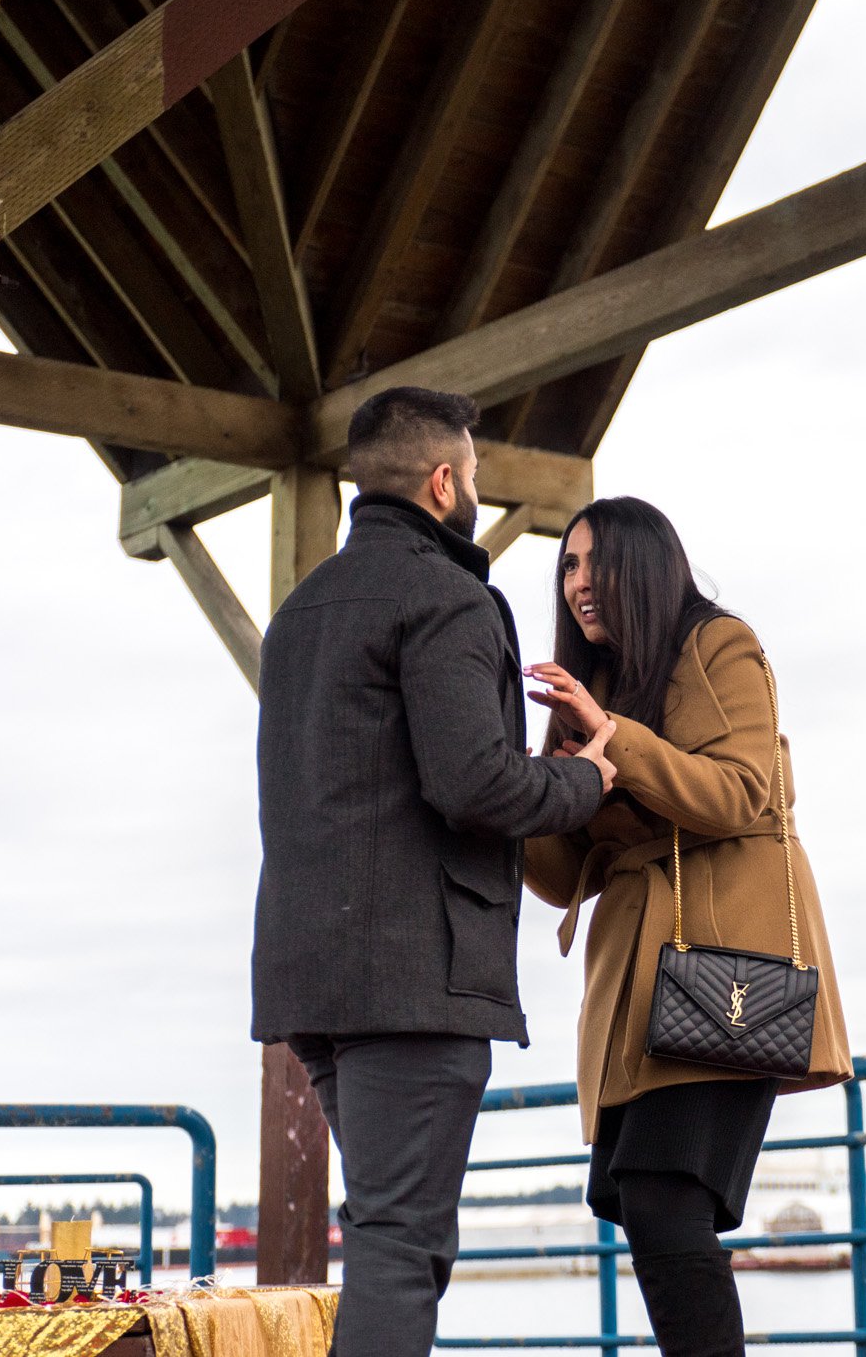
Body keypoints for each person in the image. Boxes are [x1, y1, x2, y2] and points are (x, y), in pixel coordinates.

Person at [251, 386, 617, 1357]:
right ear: (443, 479)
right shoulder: (449, 595)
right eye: (476, 474)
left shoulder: (300, 611)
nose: (476, 491)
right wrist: (583, 779)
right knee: (402, 1241)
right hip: (413, 975)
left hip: (309, 977)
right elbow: (475, 783)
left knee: (391, 1228)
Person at [524, 497, 853, 1357]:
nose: (579, 582)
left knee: (664, 1195)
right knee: (638, 1198)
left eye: (595, 561)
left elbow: (744, 791)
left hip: (724, 965)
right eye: (567, 565)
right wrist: (534, 793)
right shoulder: (589, 694)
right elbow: (563, 880)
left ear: (644, 563)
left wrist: (614, 738)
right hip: (638, 979)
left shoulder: (718, 643)